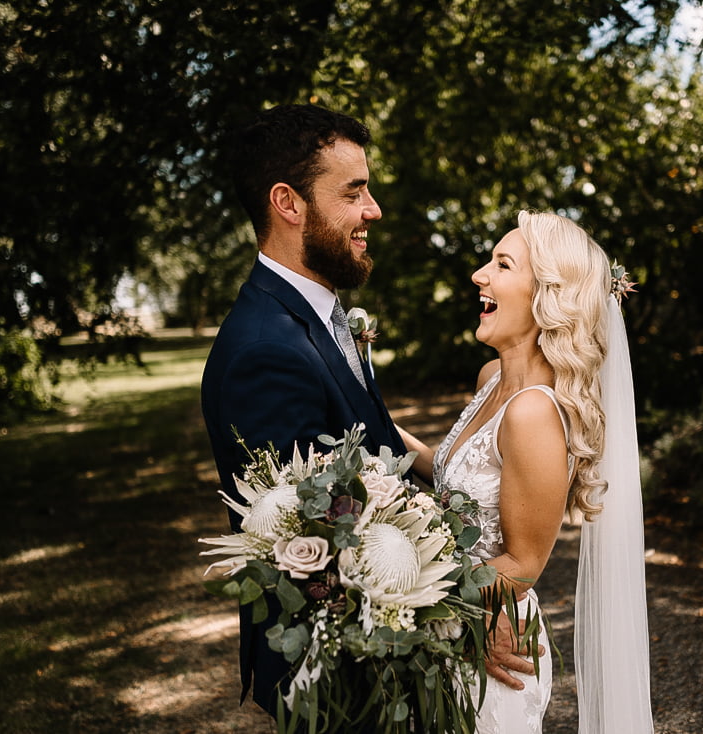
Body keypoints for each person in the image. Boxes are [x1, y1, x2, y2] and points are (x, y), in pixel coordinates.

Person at [200, 103, 536, 720]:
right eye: (353, 192)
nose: (374, 210)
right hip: (347, 677)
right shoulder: (265, 352)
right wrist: (461, 617)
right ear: (288, 203)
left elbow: (368, 455)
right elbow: (316, 545)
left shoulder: (317, 318)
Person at [398, 210, 655, 733]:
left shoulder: (534, 411)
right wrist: (367, 417)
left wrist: (402, 587)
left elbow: (523, 564)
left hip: (491, 648)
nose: (479, 275)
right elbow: (453, 474)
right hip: (453, 629)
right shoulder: (491, 378)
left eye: (502, 264)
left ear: (547, 297)